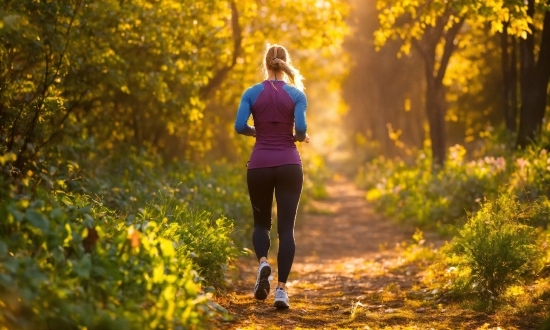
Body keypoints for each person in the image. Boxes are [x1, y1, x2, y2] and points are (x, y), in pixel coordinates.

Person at [234, 44, 310, 309]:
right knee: (286, 230)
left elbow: (238, 126)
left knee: (260, 224)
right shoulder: (296, 94)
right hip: (290, 164)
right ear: (284, 63)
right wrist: (298, 137)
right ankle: (280, 291)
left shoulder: (251, 93)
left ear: (265, 64)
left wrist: (258, 132)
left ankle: (263, 263)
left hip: (259, 166)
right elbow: (300, 129)